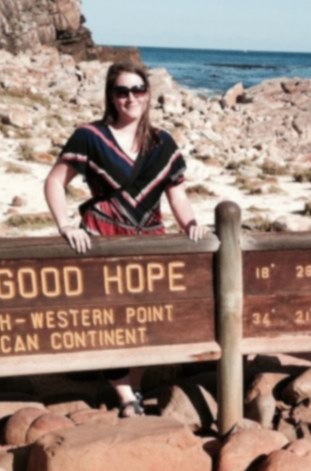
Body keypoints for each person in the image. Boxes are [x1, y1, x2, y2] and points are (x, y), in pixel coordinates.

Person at [45, 62, 207, 417]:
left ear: (148, 95)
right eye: (122, 91)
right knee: (111, 320)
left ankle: (133, 385)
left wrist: (191, 223)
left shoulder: (163, 143)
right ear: (111, 96)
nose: (130, 98)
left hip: (150, 242)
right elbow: (55, 181)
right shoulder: (90, 137)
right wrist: (66, 225)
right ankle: (124, 396)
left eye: (137, 90)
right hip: (103, 239)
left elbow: (176, 194)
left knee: (149, 320)